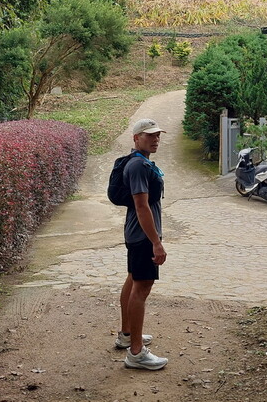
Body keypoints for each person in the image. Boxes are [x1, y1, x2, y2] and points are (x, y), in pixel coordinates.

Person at [116, 118, 168, 370]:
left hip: (136, 234)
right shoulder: (137, 165)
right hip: (143, 237)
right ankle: (136, 353)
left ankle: (127, 335)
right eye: (149, 135)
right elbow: (141, 205)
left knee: (132, 279)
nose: (155, 139)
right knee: (142, 288)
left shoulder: (140, 162)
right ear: (136, 138)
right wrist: (156, 242)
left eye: (157, 135)